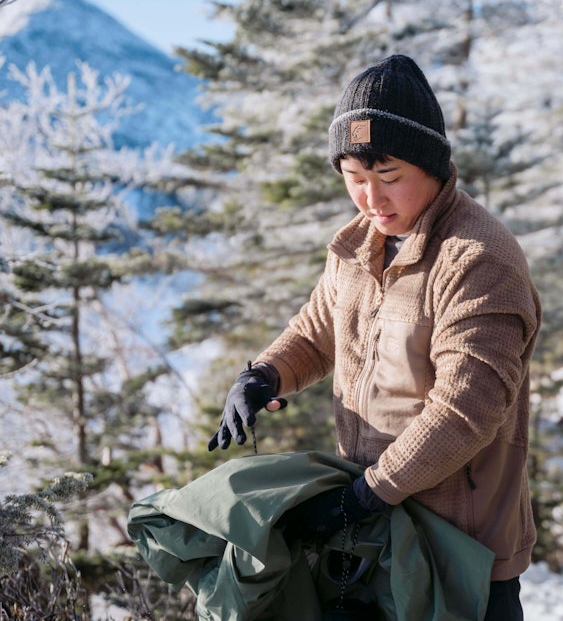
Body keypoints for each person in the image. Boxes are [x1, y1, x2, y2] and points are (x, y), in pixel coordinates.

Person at [209, 54, 541, 620]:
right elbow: (318, 331)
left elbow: (465, 410)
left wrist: (365, 494)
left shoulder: (479, 260)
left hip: (459, 546)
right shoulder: (361, 242)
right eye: (355, 179)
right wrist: (263, 375)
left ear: (433, 166)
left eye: (389, 178)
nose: (371, 200)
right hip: (376, 531)